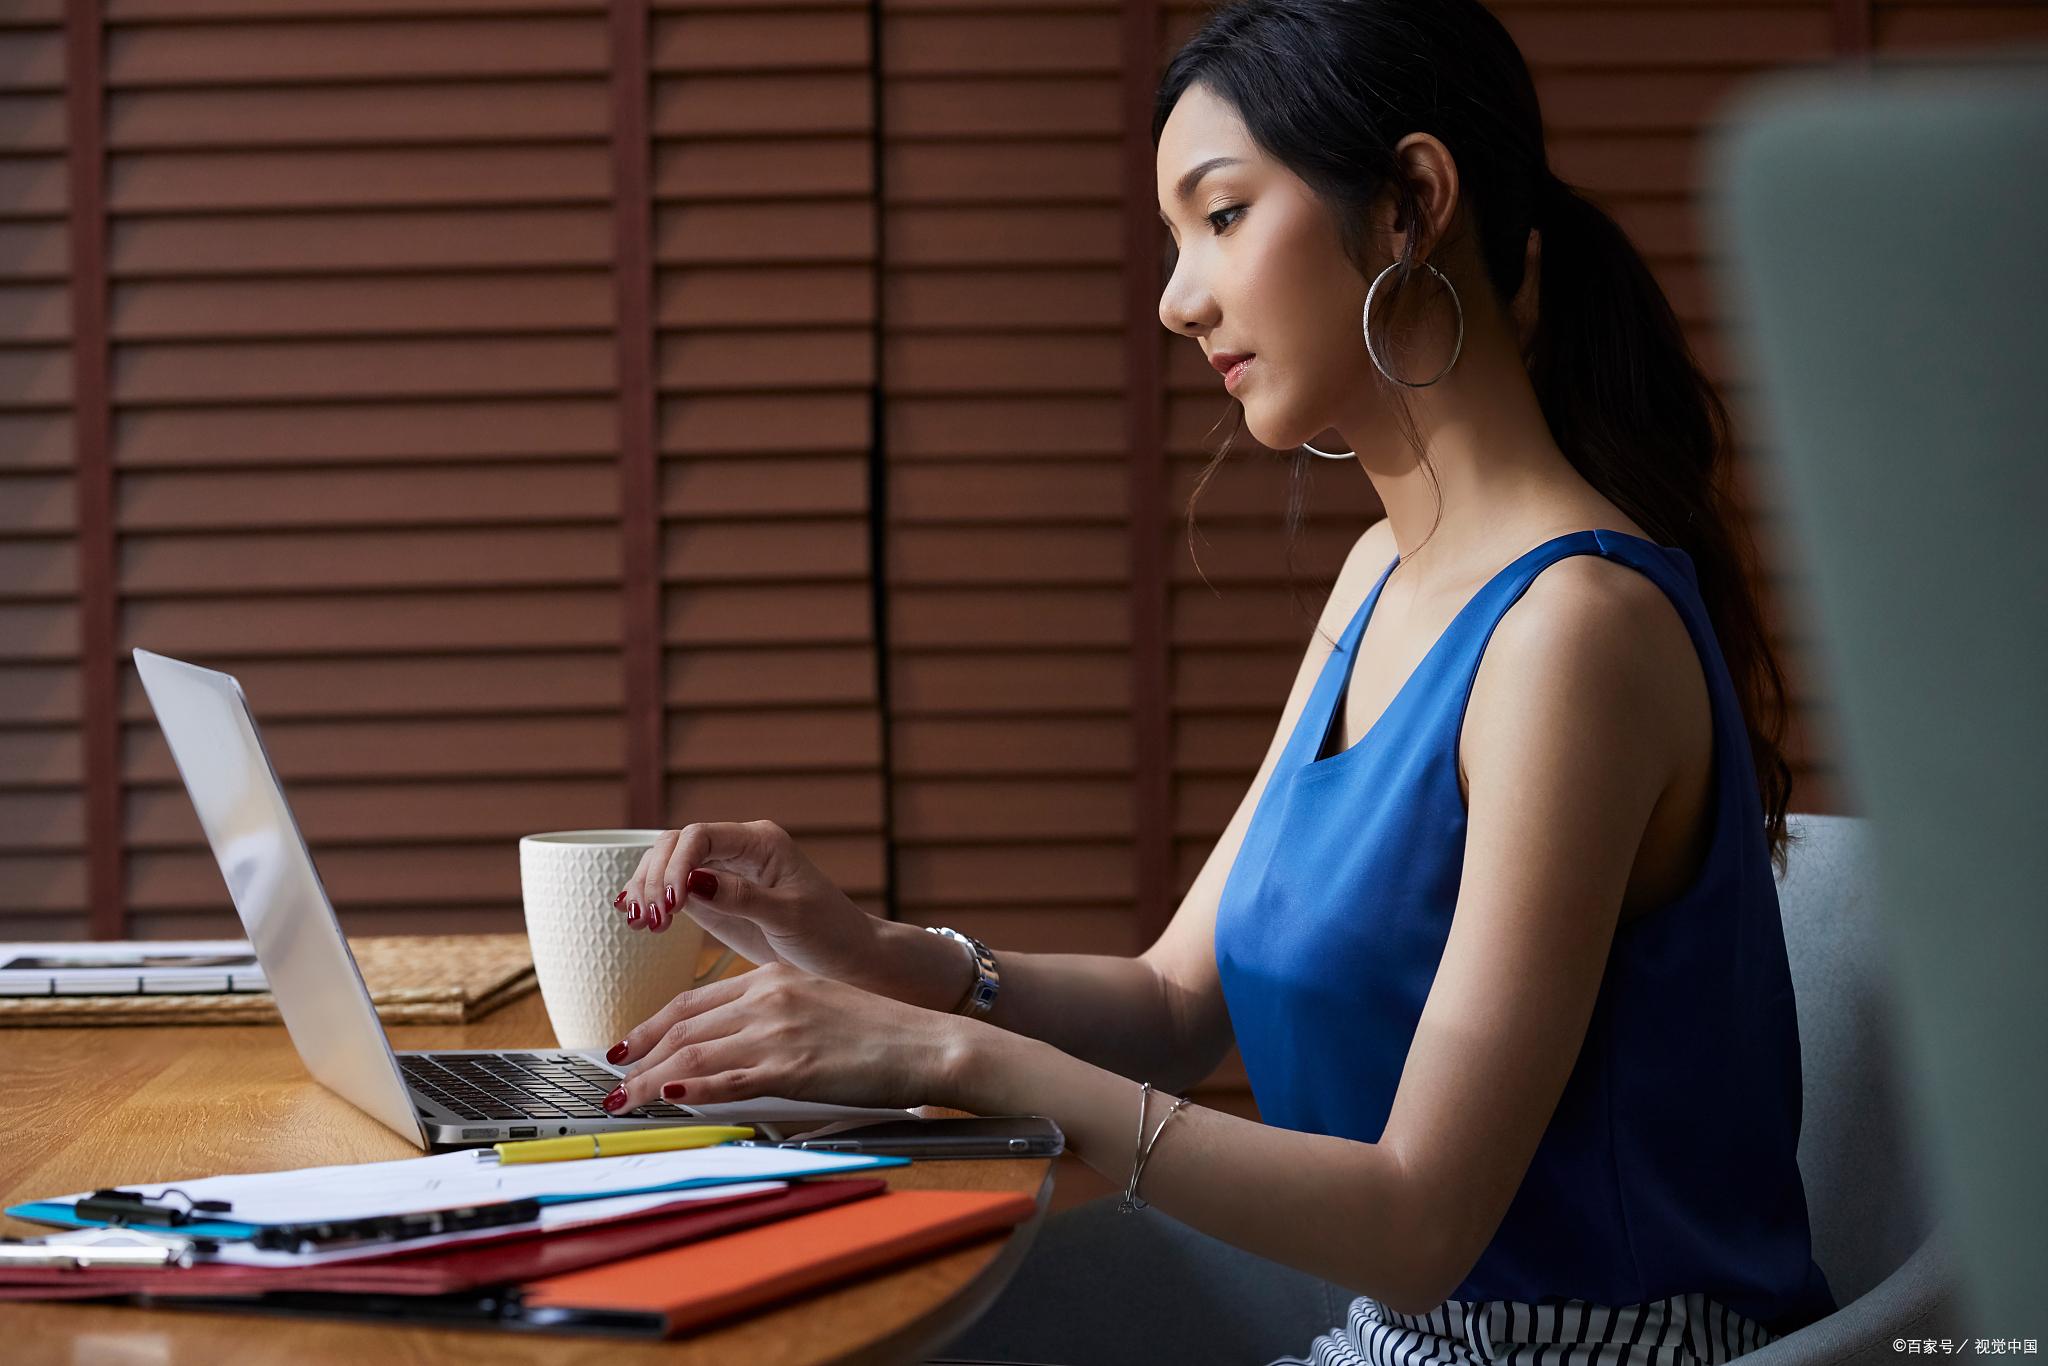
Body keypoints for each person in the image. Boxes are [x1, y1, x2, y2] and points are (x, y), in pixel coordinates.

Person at [596, 0, 1840, 1359]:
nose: (1177, 299)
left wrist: (941, 1056)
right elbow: (1177, 1008)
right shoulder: (1383, 574)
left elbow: (1421, 1223)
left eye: (1223, 215)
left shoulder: (1573, 632)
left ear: (1412, 204)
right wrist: (876, 956)